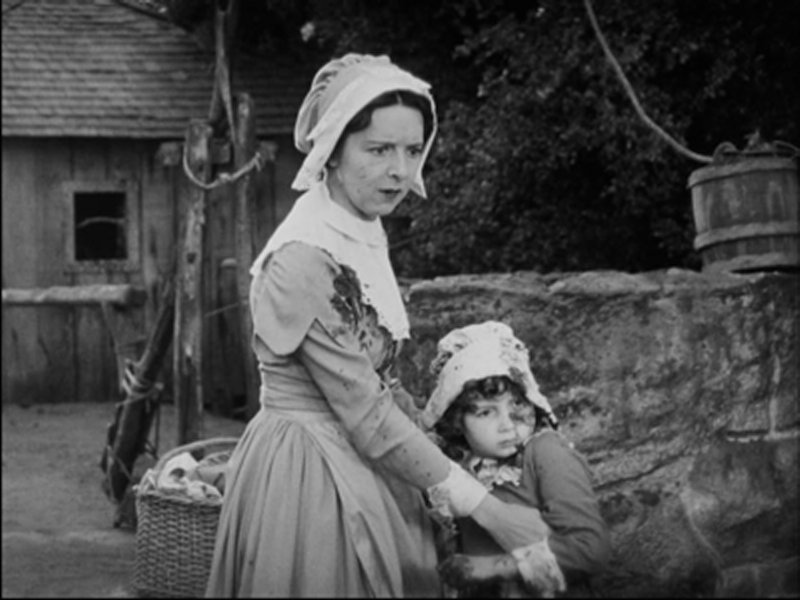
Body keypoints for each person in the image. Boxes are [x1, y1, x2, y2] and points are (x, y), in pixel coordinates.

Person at [205, 54, 557, 598]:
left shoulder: (359, 230)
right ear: (333, 151)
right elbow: (366, 413)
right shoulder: (302, 259)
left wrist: (451, 446)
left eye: (412, 151)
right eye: (378, 150)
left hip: (369, 456)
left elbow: (383, 385)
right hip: (310, 473)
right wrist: (486, 508)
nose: (400, 170)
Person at [422, 321, 611, 597]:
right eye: (486, 412)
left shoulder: (546, 453)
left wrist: (494, 567)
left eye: (517, 404)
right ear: (457, 421)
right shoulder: (461, 469)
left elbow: (590, 550)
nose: (508, 425)